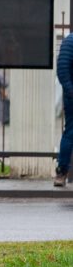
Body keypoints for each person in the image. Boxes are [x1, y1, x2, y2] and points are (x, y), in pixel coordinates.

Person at [55, 32, 73, 187]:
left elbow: (62, 67)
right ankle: (61, 171)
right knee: (70, 133)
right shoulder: (70, 41)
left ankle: (61, 173)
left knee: (70, 133)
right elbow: (62, 68)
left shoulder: (69, 41)